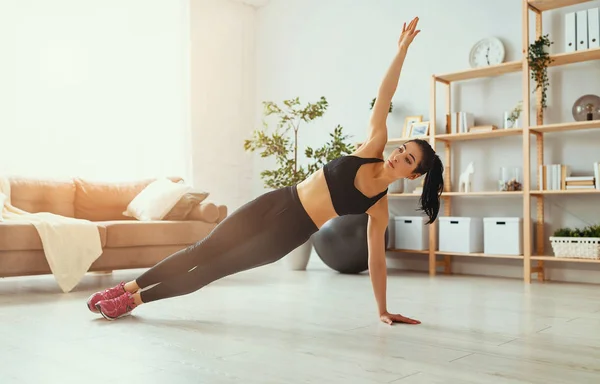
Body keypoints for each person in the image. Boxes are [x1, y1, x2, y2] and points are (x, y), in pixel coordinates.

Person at [87, 16, 443, 325]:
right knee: (202, 249)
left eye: (408, 160)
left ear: (413, 176)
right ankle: (126, 287)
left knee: (213, 269)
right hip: (277, 200)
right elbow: (385, 94)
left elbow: (376, 260)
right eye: (403, 149)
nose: (399, 156)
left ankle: (130, 303)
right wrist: (401, 51)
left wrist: (383, 309)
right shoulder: (373, 146)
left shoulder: (377, 206)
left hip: (289, 232)